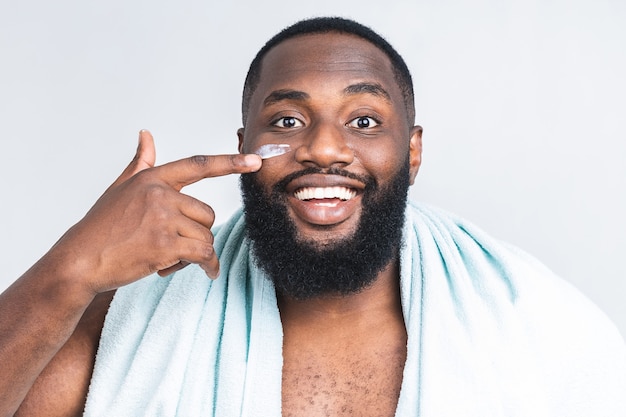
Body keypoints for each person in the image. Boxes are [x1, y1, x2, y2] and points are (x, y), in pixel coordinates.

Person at [1, 17, 624, 417]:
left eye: (363, 121)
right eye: (288, 122)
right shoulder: (129, 316)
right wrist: (71, 268)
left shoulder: (535, 324)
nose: (324, 149)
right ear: (246, 145)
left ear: (413, 151)